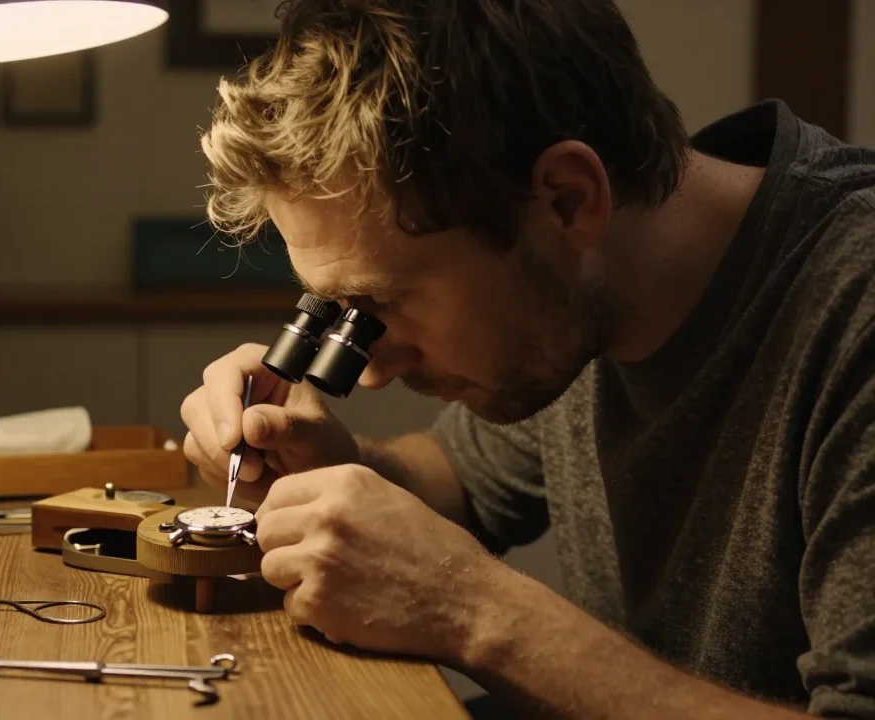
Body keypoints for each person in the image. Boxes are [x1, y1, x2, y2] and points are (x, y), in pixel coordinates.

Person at [179, 1, 875, 718]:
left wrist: (472, 612)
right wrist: (323, 463)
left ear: (569, 200)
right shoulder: (589, 294)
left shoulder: (852, 310)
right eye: (339, 314)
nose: (374, 369)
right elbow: (462, 484)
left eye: (380, 305)